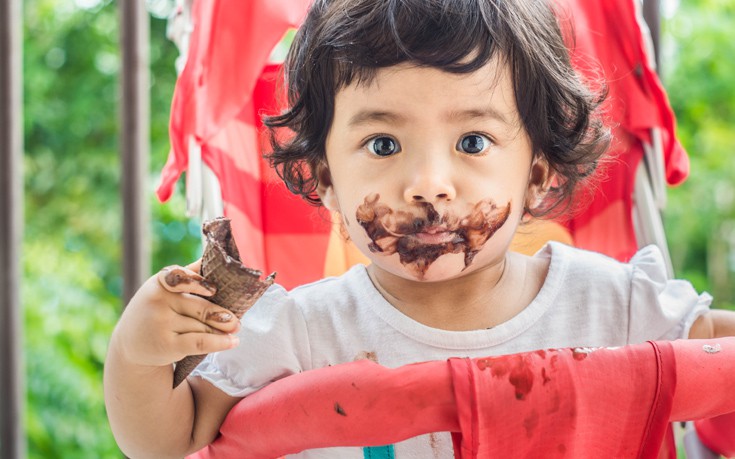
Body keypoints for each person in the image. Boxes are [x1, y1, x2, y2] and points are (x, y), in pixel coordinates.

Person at [103, 0, 735, 457]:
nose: (429, 183)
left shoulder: (617, 307)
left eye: (472, 139)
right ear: (323, 175)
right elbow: (170, 439)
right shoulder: (298, 334)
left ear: (538, 170)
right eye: (382, 143)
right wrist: (136, 354)